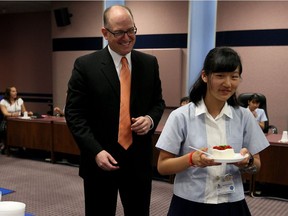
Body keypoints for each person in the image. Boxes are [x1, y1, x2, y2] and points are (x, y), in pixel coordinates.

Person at [65, 5, 165, 216]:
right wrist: (95, 151)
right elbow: (74, 115)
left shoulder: (149, 63)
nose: (127, 37)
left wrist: (150, 119)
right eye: (119, 32)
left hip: (138, 162)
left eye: (131, 30)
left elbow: (158, 103)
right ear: (105, 33)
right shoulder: (85, 65)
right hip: (100, 162)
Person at [156, 47, 269, 216]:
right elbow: (162, 166)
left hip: (231, 202)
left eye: (234, 76)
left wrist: (248, 162)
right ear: (204, 76)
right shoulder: (181, 116)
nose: (228, 83)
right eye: (220, 76)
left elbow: (257, 164)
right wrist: (191, 159)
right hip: (190, 203)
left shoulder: (244, 116)